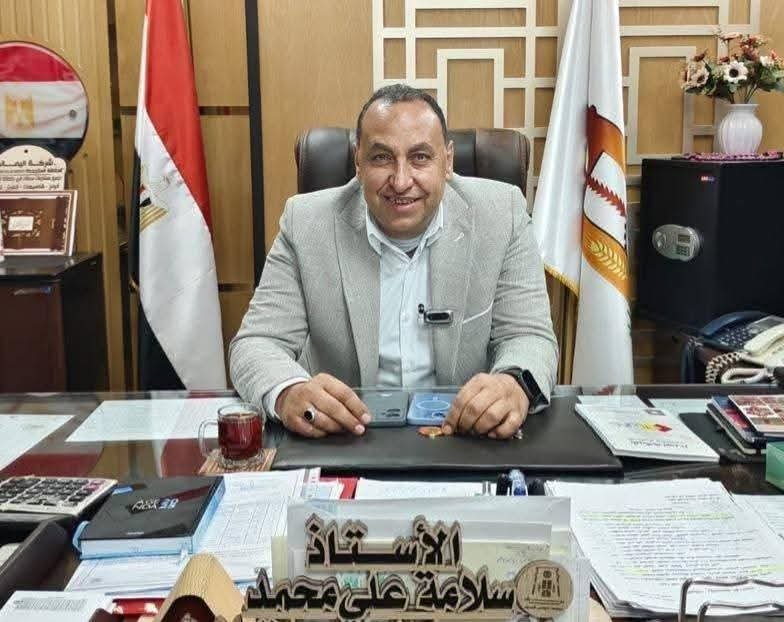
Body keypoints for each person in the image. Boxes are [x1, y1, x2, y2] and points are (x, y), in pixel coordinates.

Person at [230, 84, 558, 440]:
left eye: (420, 157)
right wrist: (288, 392)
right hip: (345, 437)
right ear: (358, 162)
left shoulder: (501, 214)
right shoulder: (306, 223)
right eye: (382, 158)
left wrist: (513, 384)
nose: (401, 182)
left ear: (447, 161)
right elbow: (256, 343)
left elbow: (529, 336)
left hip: (465, 437)